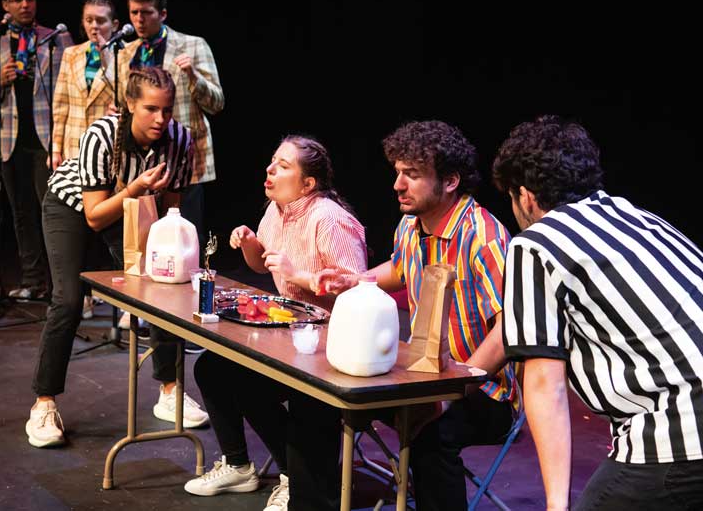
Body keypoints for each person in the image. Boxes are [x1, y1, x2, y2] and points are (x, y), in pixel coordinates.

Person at [493, 115, 703, 510]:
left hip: (680, 431)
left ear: (525, 197)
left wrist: (557, 504)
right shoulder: (635, 216)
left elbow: (544, 383)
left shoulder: (536, 243)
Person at [313, 120, 518, 511]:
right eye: (397, 173)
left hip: (483, 391)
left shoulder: (485, 238)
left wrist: (452, 393)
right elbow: (401, 268)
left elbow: (508, 330)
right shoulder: (411, 224)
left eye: (412, 175)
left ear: (451, 180)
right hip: (420, 373)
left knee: (430, 432)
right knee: (325, 396)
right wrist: (355, 280)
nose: (397, 185)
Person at [26, 67, 208, 449]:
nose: (161, 119)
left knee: (162, 287)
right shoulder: (102, 136)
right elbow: (94, 216)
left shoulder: (179, 139)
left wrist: (162, 254)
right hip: (74, 206)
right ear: (129, 105)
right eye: (151, 109)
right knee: (69, 300)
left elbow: (171, 209)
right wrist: (137, 186)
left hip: (133, 206)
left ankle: (170, 390)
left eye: (168, 109)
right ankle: (44, 403)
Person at [183, 136, 367, 511]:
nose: (270, 170)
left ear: (308, 184)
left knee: (254, 387)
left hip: (333, 346)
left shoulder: (330, 219)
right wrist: (251, 243)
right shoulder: (278, 208)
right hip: (292, 333)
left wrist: (298, 276)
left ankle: (297, 478)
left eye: (283, 166)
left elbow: (359, 294)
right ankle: (238, 464)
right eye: (272, 161)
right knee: (213, 369)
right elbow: (261, 264)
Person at [0, 0, 73, 299]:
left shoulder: (53, 39)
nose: (25, 5)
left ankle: (62, 287)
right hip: (11, 141)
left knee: (52, 214)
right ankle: (32, 282)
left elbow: (72, 84)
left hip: (46, 141)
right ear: (6, 5)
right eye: (18, 0)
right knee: (21, 215)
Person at [118, 0, 224, 246]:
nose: (139, 20)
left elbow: (217, 102)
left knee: (184, 238)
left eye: (146, 13)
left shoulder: (193, 45)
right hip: (140, 158)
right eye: (134, 13)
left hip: (183, 156)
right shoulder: (125, 52)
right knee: (142, 239)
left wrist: (192, 76)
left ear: (162, 14)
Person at [51, 0, 120, 319]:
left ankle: (109, 293)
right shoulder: (71, 54)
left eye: (102, 20)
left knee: (102, 223)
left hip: (104, 150)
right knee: (77, 224)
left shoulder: (122, 56)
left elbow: (125, 97)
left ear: (114, 25)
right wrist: (55, 149)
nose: (95, 26)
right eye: (90, 20)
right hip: (74, 146)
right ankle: (83, 297)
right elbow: (61, 102)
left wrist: (108, 54)